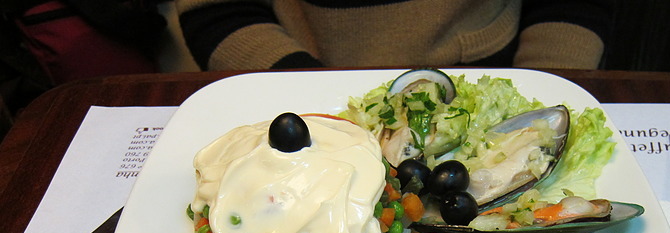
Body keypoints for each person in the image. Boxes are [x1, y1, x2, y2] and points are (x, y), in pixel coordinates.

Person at [175, 0, 613, 72]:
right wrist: (306, 87)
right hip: (296, 81)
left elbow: (572, 8)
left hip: (493, 72)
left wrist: (543, 91)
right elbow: (214, 11)